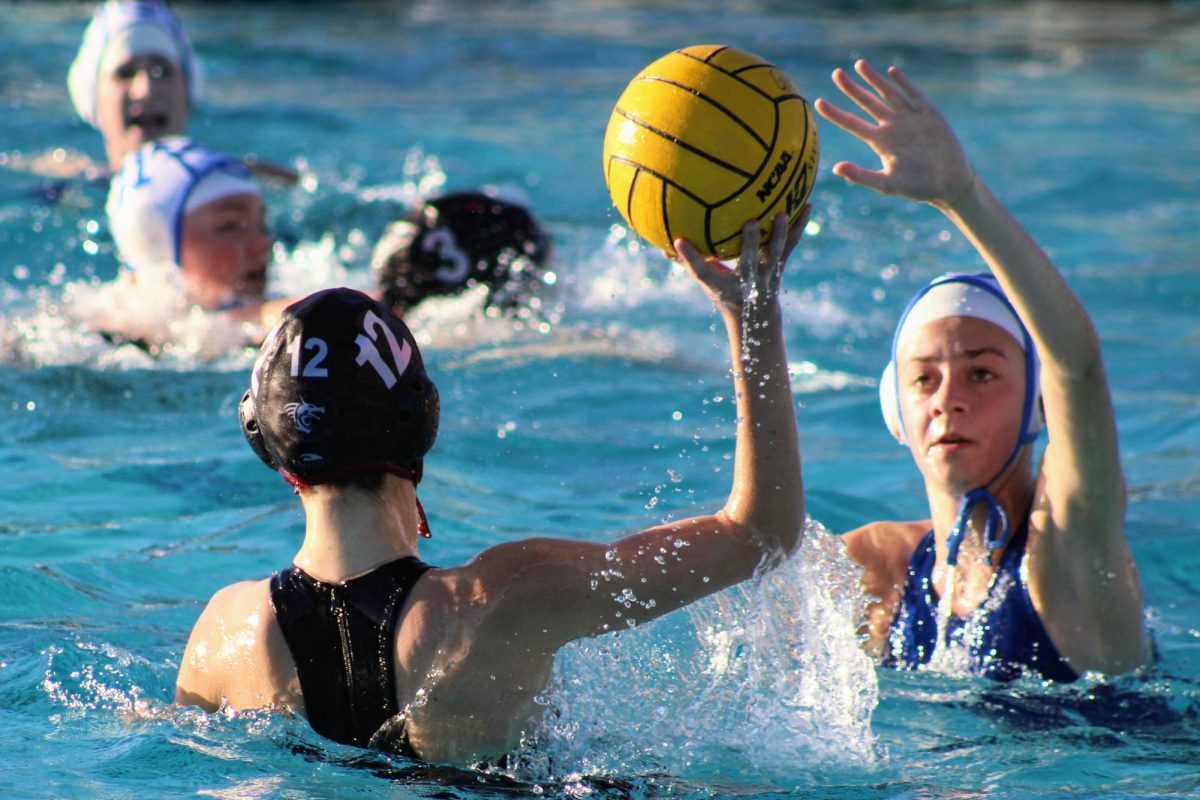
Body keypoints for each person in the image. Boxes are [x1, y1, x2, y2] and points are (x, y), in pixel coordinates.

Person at [174, 209, 809, 764]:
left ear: (265, 442)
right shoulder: (502, 599)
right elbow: (761, 533)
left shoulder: (222, 636)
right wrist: (750, 310)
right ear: (420, 422)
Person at [814, 60, 1150, 680]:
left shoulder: (1069, 549)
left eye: (982, 373)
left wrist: (961, 196)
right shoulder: (874, 568)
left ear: (1037, 403)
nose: (948, 400)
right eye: (923, 379)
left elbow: (1076, 366)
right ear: (896, 410)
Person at [372, 191, 554, 319]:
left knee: (508, 315)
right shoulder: (389, 262)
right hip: (505, 221)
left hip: (517, 234)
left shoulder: (410, 282)